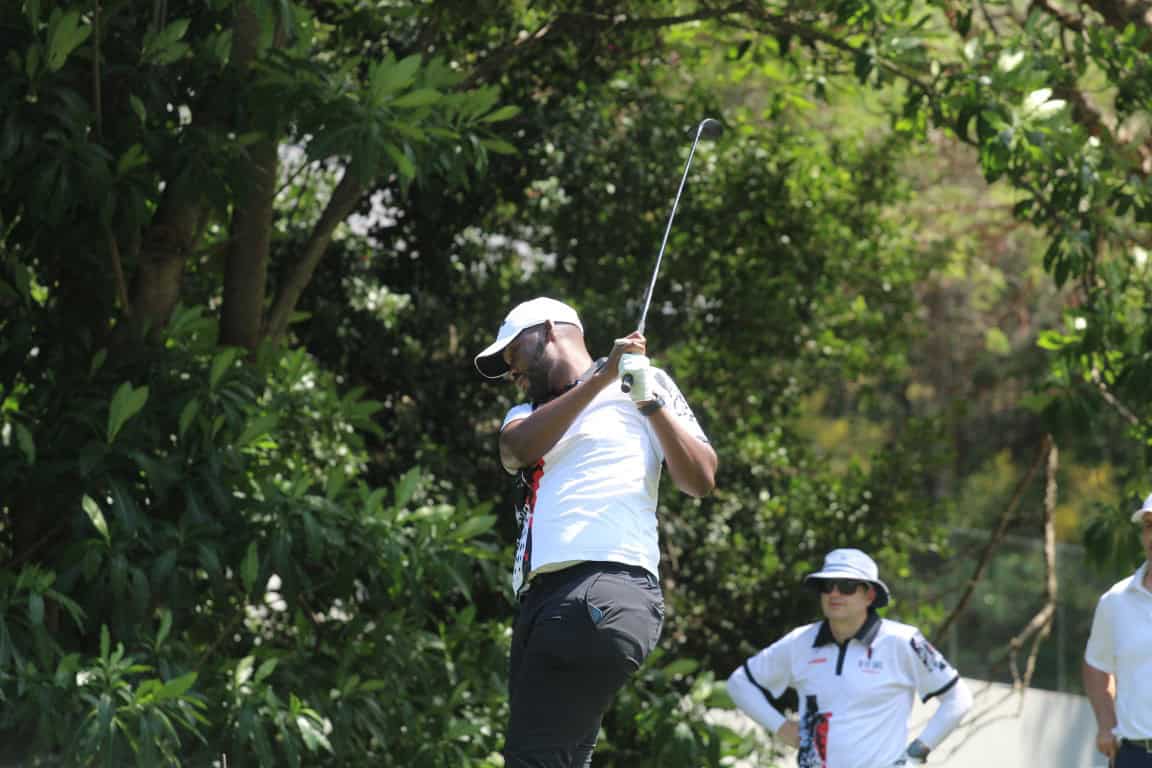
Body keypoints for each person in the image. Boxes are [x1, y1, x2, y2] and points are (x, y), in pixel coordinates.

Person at [474, 296, 717, 767]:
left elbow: (700, 479)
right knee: (558, 757)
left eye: (513, 353)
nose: (511, 371)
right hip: (543, 601)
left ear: (548, 331)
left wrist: (648, 402)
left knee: (536, 759)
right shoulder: (526, 413)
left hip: (601, 586)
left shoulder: (647, 384)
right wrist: (603, 378)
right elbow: (516, 450)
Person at [726, 548, 972, 767]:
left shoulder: (904, 641)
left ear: (869, 595)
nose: (834, 593)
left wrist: (915, 755)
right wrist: (780, 727)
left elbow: (958, 698)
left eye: (846, 586)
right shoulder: (798, 641)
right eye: (827, 585)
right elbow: (739, 683)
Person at [1083, 494, 1152, 767]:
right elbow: (1096, 665)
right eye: (1149, 526)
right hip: (1135, 757)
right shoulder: (1116, 601)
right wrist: (1105, 724)